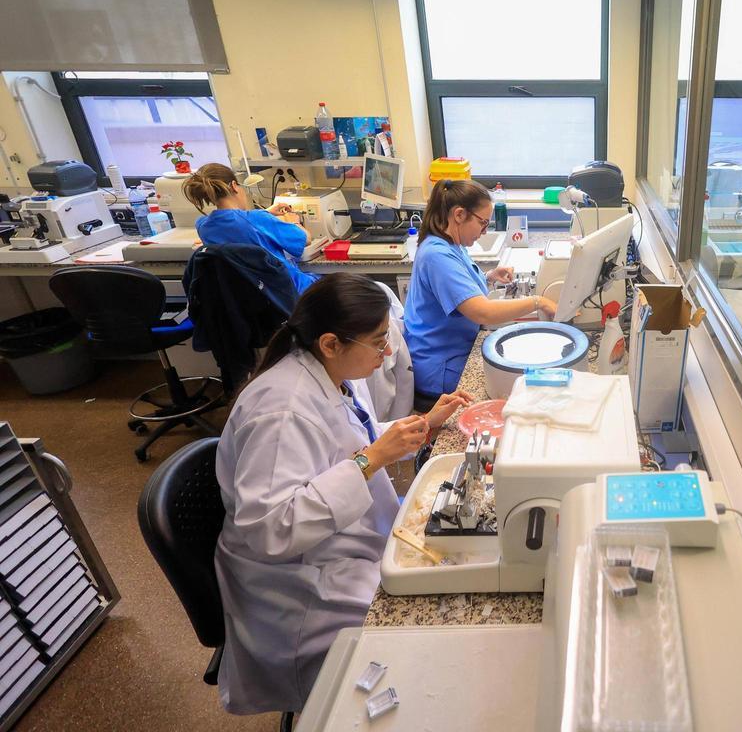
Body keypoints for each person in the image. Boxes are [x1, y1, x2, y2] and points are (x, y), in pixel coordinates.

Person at [213, 273, 469, 715]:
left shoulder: (326, 373)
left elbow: (349, 438)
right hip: (298, 581)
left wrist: (424, 423)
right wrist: (372, 460)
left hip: (340, 543)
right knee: (420, 617)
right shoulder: (281, 410)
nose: (386, 353)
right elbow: (271, 529)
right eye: (378, 342)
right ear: (331, 343)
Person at [403, 179, 559, 404]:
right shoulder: (437, 255)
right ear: (459, 215)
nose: (484, 232)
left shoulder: (451, 244)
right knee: (521, 389)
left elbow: (459, 290)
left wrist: (488, 277)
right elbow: (482, 312)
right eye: (483, 223)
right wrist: (538, 301)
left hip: (456, 349)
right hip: (441, 367)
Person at [183, 163, 317, 296]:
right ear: (234, 186)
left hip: (251, 298)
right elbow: (305, 239)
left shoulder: (203, 226)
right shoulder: (257, 219)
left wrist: (265, 213)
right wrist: (294, 221)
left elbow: (236, 224)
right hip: (289, 291)